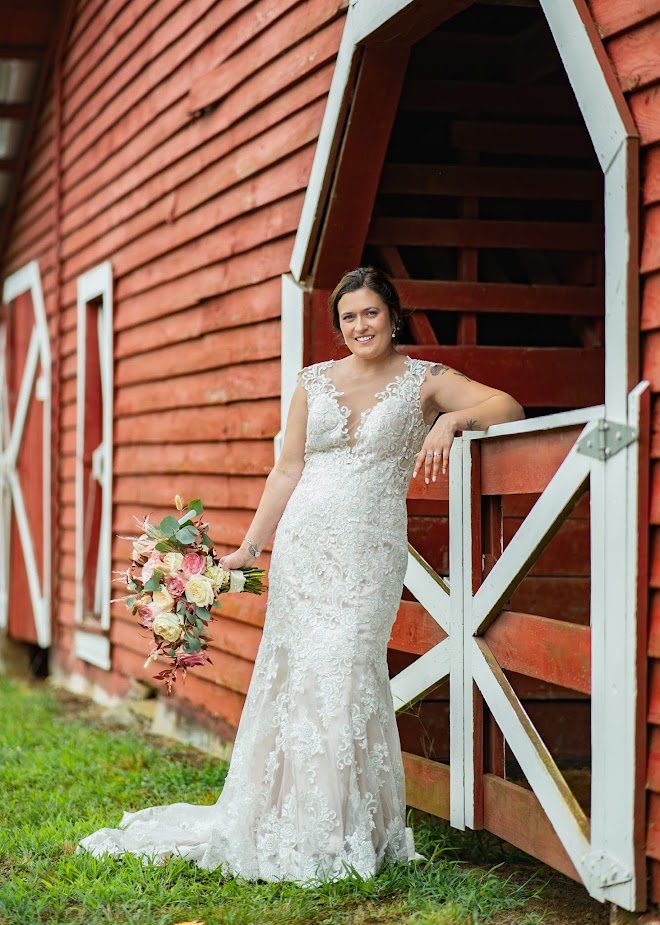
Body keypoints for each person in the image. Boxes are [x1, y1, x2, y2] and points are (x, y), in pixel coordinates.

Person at [79, 267, 524, 882]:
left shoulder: (424, 381)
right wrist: (250, 548)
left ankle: (342, 828)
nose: (360, 326)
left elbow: (508, 405)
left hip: (368, 552)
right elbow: (287, 470)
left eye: (370, 313)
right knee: (298, 675)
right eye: (348, 317)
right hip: (303, 550)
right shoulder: (312, 382)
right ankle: (295, 822)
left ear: (393, 316)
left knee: (348, 670)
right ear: (339, 325)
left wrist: (451, 422)